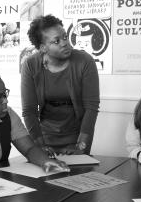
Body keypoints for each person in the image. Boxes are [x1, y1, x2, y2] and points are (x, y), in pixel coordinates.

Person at [22, 14, 100, 155]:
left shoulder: (84, 61)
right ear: (43, 48)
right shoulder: (30, 65)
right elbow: (29, 111)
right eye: (56, 41)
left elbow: (91, 108)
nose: (64, 43)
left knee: (77, 175)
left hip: (78, 136)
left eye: (64, 37)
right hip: (44, 136)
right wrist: (39, 146)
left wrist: (81, 146)